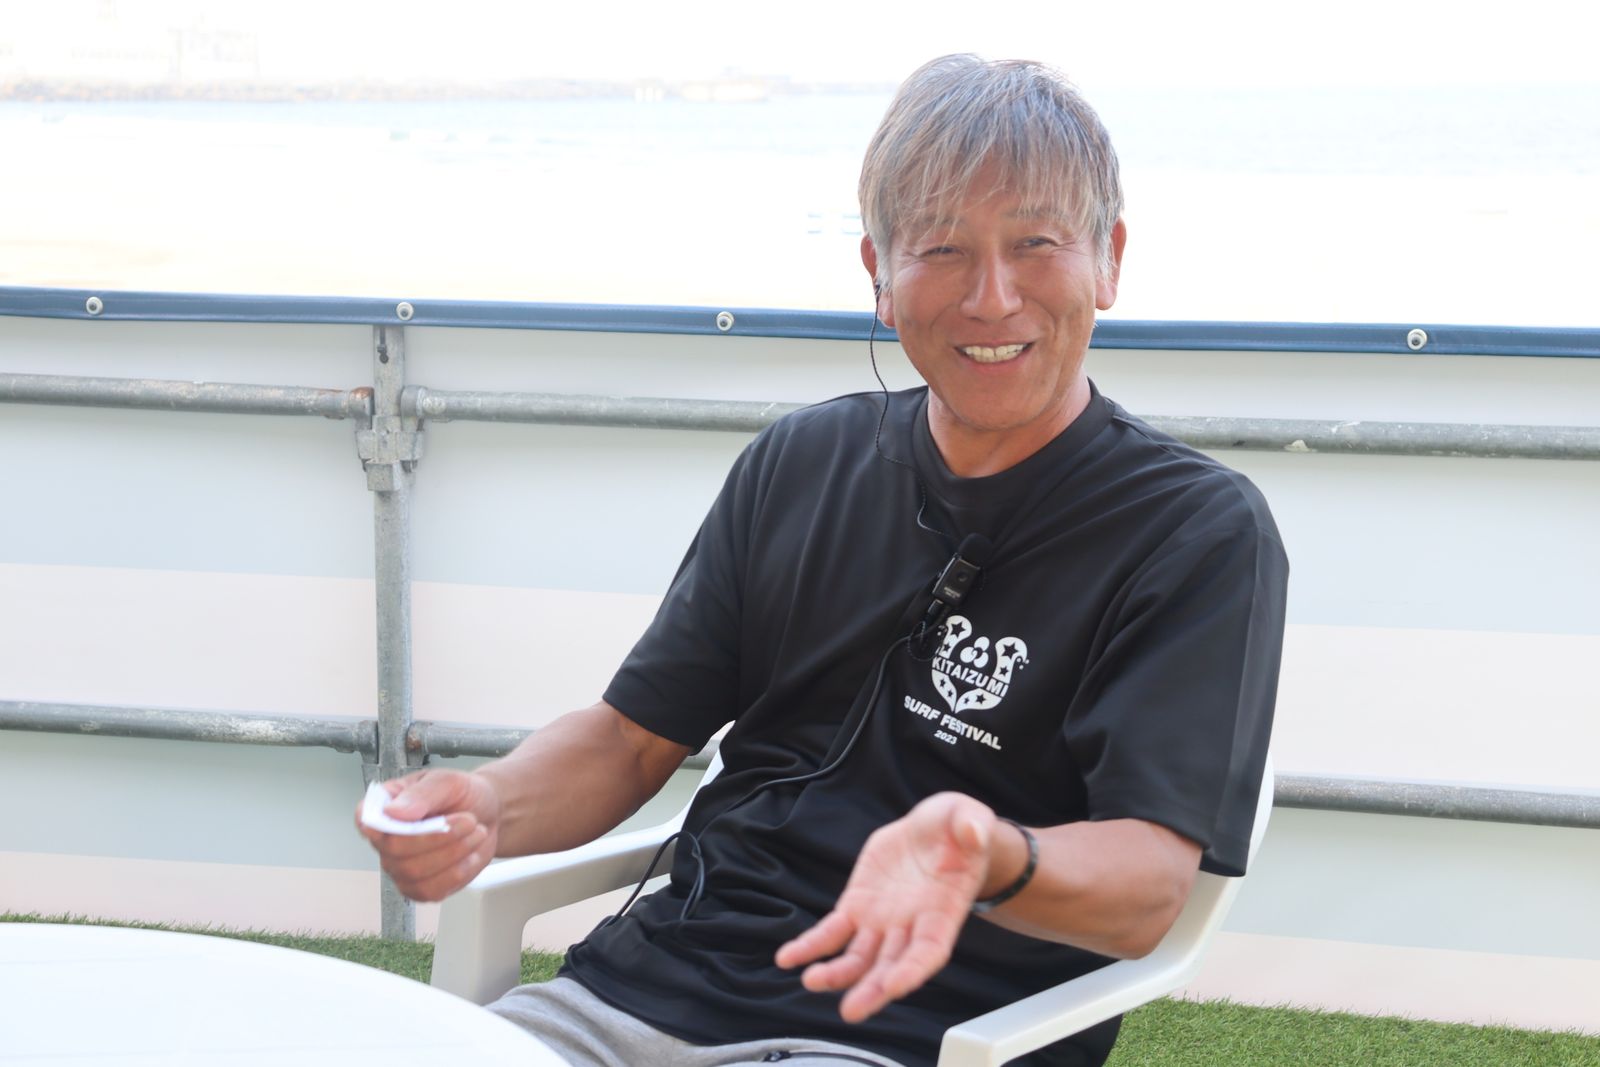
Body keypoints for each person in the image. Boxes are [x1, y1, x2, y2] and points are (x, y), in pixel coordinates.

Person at [359, 53, 1288, 1067]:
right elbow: (629, 740)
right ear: (879, 274)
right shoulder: (801, 460)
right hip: (636, 993)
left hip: (909, 1036)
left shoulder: (1192, 529)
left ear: (1108, 260)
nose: (991, 297)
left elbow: (1148, 885)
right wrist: (491, 804)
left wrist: (980, 850)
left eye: (1035, 243)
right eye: (942, 247)